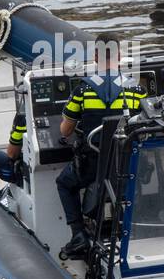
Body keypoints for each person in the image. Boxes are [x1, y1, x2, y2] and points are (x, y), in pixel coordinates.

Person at [56, 34, 146, 258]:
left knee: (64, 183)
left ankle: (78, 235)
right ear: (120, 55)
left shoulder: (82, 91)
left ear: (96, 56)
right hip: (125, 166)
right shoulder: (136, 90)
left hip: (93, 166)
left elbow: (65, 131)